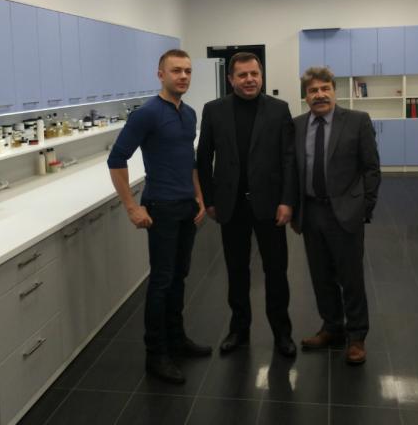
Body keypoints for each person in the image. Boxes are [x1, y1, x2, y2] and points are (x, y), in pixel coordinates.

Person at [107, 48, 210, 384]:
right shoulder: (146, 114)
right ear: (160, 74)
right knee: (162, 281)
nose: (183, 76)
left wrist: (198, 195)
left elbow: (188, 158)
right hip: (161, 207)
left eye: (188, 71)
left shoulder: (189, 114)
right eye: (176, 70)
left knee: (180, 276)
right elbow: (116, 159)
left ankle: (176, 339)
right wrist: (131, 207)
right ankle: (156, 354)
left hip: (185, 206)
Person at [196, 52, 298, 358]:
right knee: (236, 270)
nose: (250, 79)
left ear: (261, 76)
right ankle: (239, 330)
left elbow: (289, 159)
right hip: (231, 205)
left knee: (276, 271)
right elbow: (204, 159)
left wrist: (287, 200)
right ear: (231, 79)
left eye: (254, 74)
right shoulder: (214, 110)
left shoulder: (279, 109)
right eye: (242, 75)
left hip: (270, 204)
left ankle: (282, 333)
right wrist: (209, 200)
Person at [292, 66, 381, 365]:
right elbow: (293, 169)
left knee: (350, 277)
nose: (319, 95)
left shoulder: (357, 121)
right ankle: (332, 327)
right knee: (320, 275)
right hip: (311, 211)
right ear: (305, 96)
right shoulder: (297, 125)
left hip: (345, 212)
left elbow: (371, 168)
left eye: (324, 89)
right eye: (313, 91)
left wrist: (364, 207)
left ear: (334, 91)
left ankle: (356, 336)